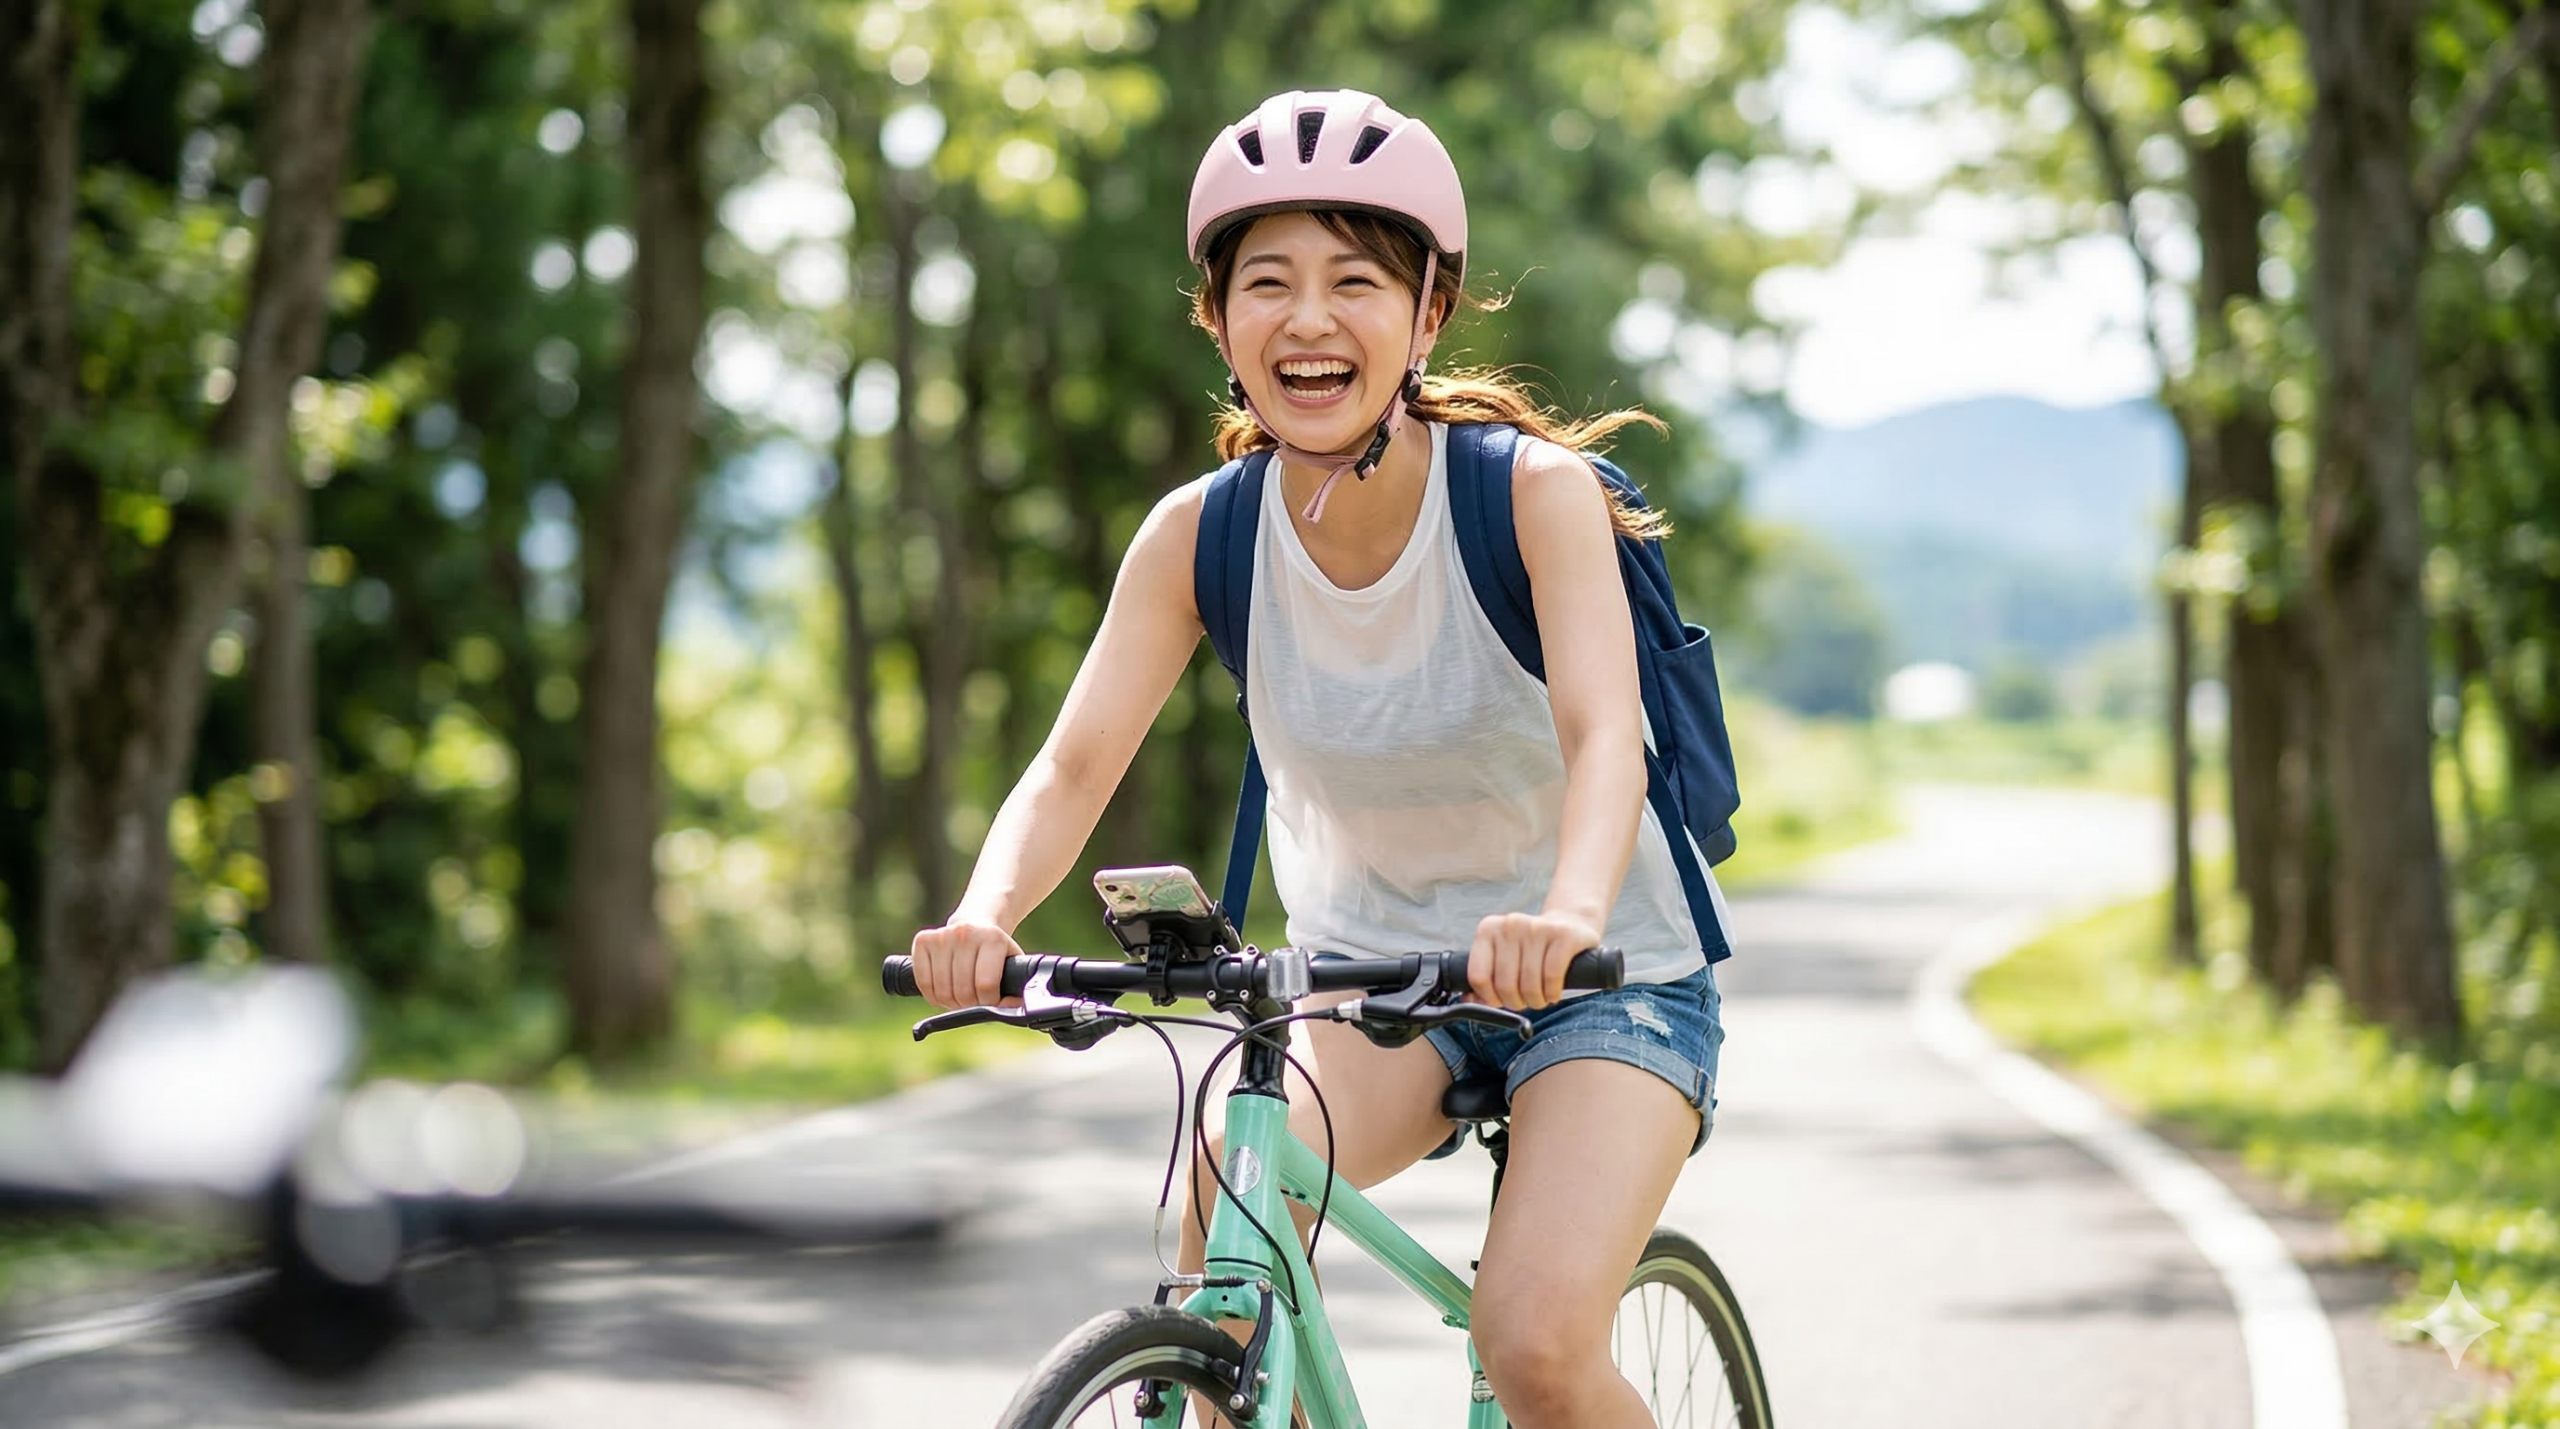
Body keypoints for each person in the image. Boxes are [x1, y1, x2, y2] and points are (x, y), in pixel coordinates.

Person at [908, 88, 1731, 1429]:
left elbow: (1603, 738)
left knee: (1533, 1347)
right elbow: (1070, 768)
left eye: (1355, 279)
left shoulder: (1531, 496)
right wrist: (983, 917)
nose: (1308, 319)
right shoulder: (1200, 534)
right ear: (1218, 321)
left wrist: (1568, 916)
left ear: (1426, 316)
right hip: (1365, 980)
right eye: (1269, 282)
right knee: (1219, 1281)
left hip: (1605, 977)